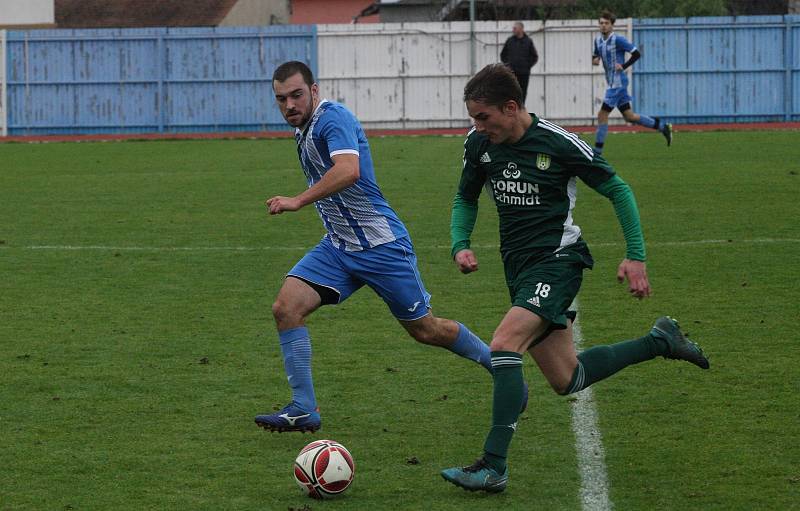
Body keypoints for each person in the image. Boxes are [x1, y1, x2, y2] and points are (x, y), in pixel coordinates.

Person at [439, 63, 709, 493]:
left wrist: (635, 256)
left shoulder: (557, 142)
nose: (477, 125)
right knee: (567, 378)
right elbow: (465, 197)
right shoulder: (479, 145)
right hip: (519, 268)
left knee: (504, 345)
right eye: (474, 117)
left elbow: (617, 189)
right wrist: (459, 242)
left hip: (558, 262)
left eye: (483, 116)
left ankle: (493, 465)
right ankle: (661, 340)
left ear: (511, 108)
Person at [254, 61, 506, 433]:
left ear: (314, 90)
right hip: (339, 248)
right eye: (281, 99)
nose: (289, 105)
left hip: (381, 246)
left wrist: (298, 200)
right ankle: (304, 408)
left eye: (296, 95)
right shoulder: (303, 128)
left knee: (426, 330)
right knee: (285, 308)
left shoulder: (331, 119)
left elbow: (348, 170)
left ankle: (500, 367)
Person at [592, 10, 672, 155]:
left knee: (602, 114)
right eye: (601, 23)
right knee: (630, 116)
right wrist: (595, 60)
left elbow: (636, 53)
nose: (603, 26)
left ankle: (596, 153)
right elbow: (595, 54)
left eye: (606, 23)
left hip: (618, 84)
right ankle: (662, 126)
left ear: (612, 25)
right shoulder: (597, 40)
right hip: (611, 84)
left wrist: (624, 66)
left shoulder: (618, 40)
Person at [500, 21, 538, 104]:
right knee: (511, 93)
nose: (513, 30)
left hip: (524, 73)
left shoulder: (528, 41)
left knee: (522, 93)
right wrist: (508, 66)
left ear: (521, 29)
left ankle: (521, 110)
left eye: (515, 28)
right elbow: (503, 55)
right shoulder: (510, 41)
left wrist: (527, 66)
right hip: (511, 73)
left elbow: (534, 57)